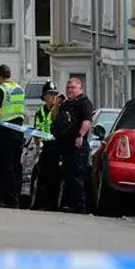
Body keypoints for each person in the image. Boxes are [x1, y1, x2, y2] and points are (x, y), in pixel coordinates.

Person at [50, 78, 94, 214]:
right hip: (64, 144)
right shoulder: (66, 104)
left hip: (77, 145)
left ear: (80, 88)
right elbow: (55, 117)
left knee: (76, 175)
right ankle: (69, 203)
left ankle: (79, 205)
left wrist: (80, 135)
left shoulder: (84, 103)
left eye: (73, 87)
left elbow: (86, 121)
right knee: (68, 175)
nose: (70, 90)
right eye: (68, 87)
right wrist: (57, 104)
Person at [0, 64, 26, 208]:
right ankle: (16, 196)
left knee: (6, 166)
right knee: (16, 166)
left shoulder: (0, 89)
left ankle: (8, 199)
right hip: (18, 131)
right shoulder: (19, 89)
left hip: (6, 132)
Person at [31, 81, 61, 211]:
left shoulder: (60, 111)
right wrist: (37, 146)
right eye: (50, 94)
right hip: (45, 147)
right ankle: (41, 203)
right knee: (42, 175)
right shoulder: (40, 112)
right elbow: (36, 130)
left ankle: (53, 204)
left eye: (55, 94)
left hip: (56, 147)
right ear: (44, 96)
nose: (53, 97)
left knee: (55, 177)